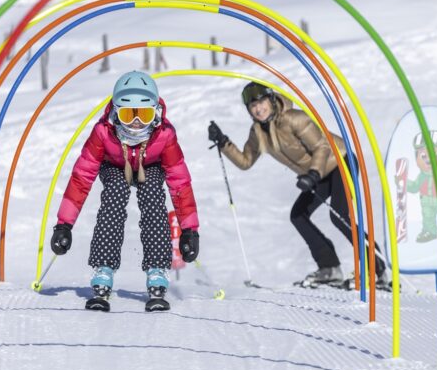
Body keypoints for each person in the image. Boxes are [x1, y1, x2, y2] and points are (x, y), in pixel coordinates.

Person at [208, 82, 388, 289]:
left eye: (261, 103)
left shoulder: (294, 118)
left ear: (271, 100)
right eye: (252, 106)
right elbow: (245, 161)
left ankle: (378, 270)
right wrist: (223, 142)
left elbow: (321, 147)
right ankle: (329, 268)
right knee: (298, 215)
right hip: (317, 174)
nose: (258, 109)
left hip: (340, 161)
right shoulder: (258, 132)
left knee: (339, 215)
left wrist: (312, 174)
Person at [50, 71, 199, 312]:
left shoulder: (164, 134)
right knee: (115, 193)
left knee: (152, 194)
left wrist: (189, 230)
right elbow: (82, 177)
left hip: (149, 167)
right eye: (129, 115)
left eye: (144, 114)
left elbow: (179, 182)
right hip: (115, 167)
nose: (137, 123)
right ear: (116, 113)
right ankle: (104, 268)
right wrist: (64, 225)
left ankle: (157, 269)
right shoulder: (103, 131)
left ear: (156, 113)